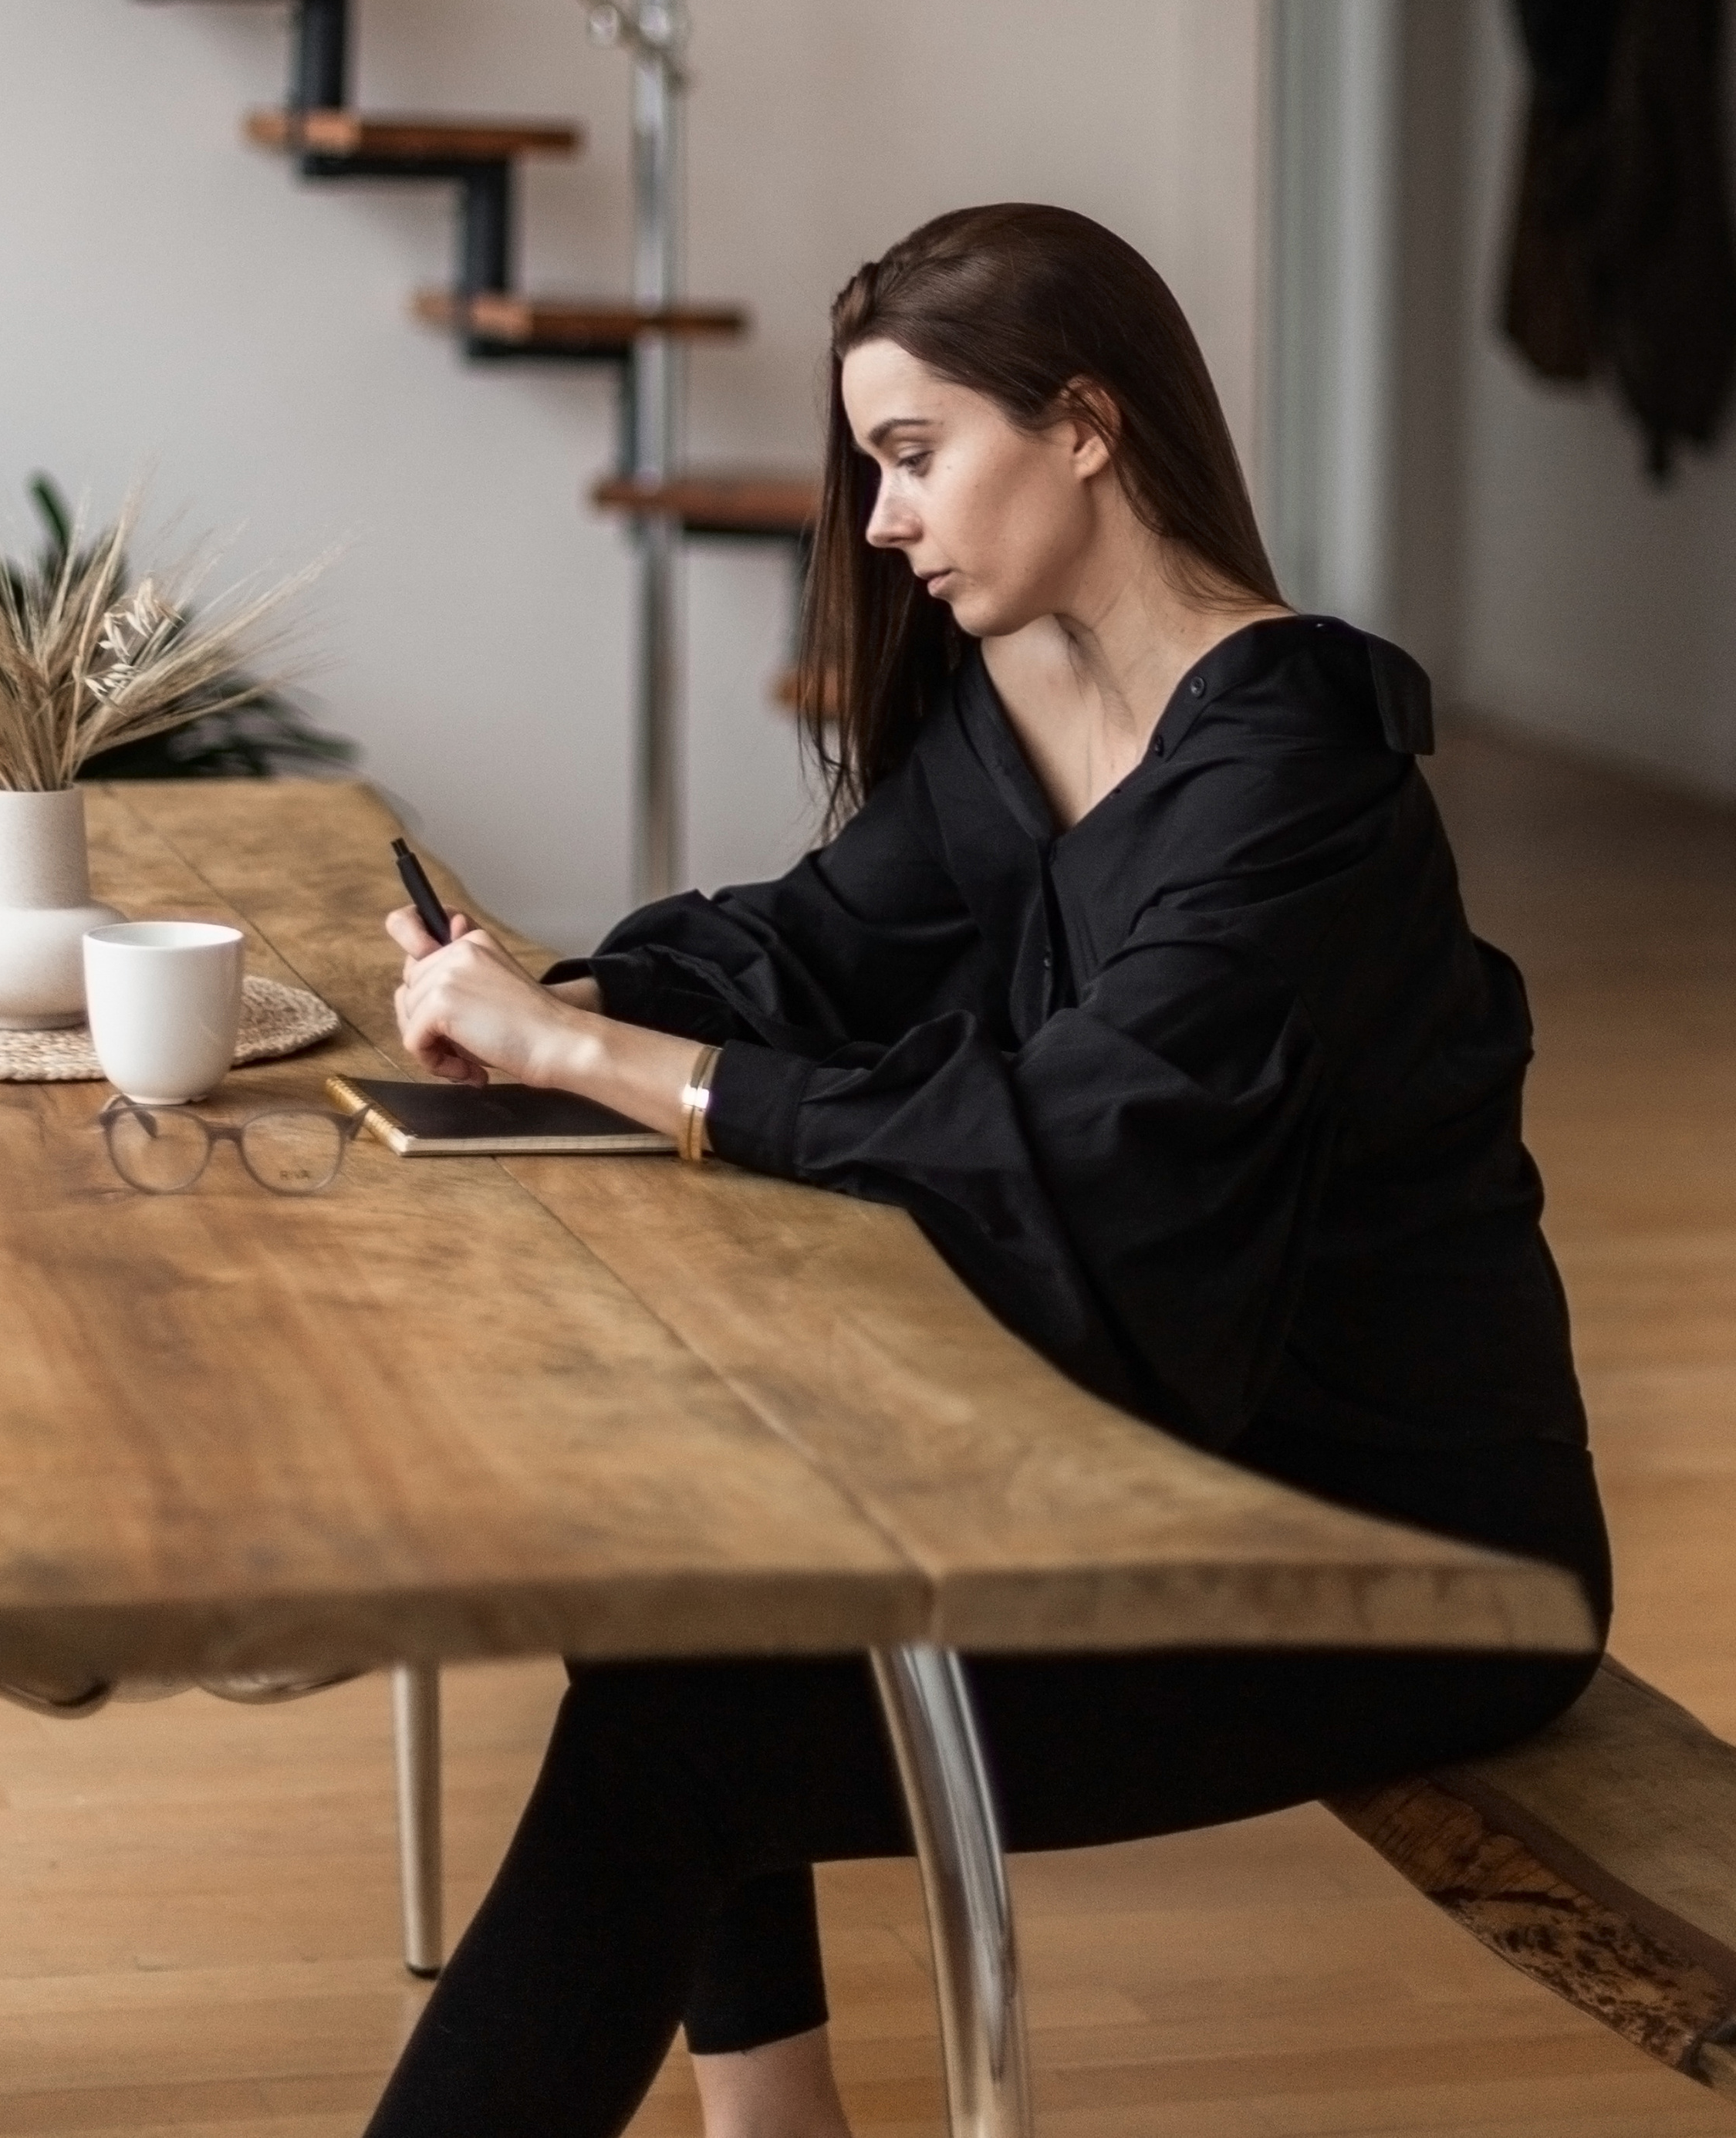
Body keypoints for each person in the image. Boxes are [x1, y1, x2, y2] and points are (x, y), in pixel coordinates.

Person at [366, 203, 1609, 2138]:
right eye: (872, 463)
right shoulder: (1015, 707)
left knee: (682, 1732)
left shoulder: (1292, 768)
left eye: (914, 454)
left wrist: (607, 1064)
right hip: (1159, 1462)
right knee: (667, 1576)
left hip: (1398, 1556)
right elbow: (811, 943)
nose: (877, 519)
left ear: (1089, 425)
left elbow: (1076, 1154)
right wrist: (544, 989)